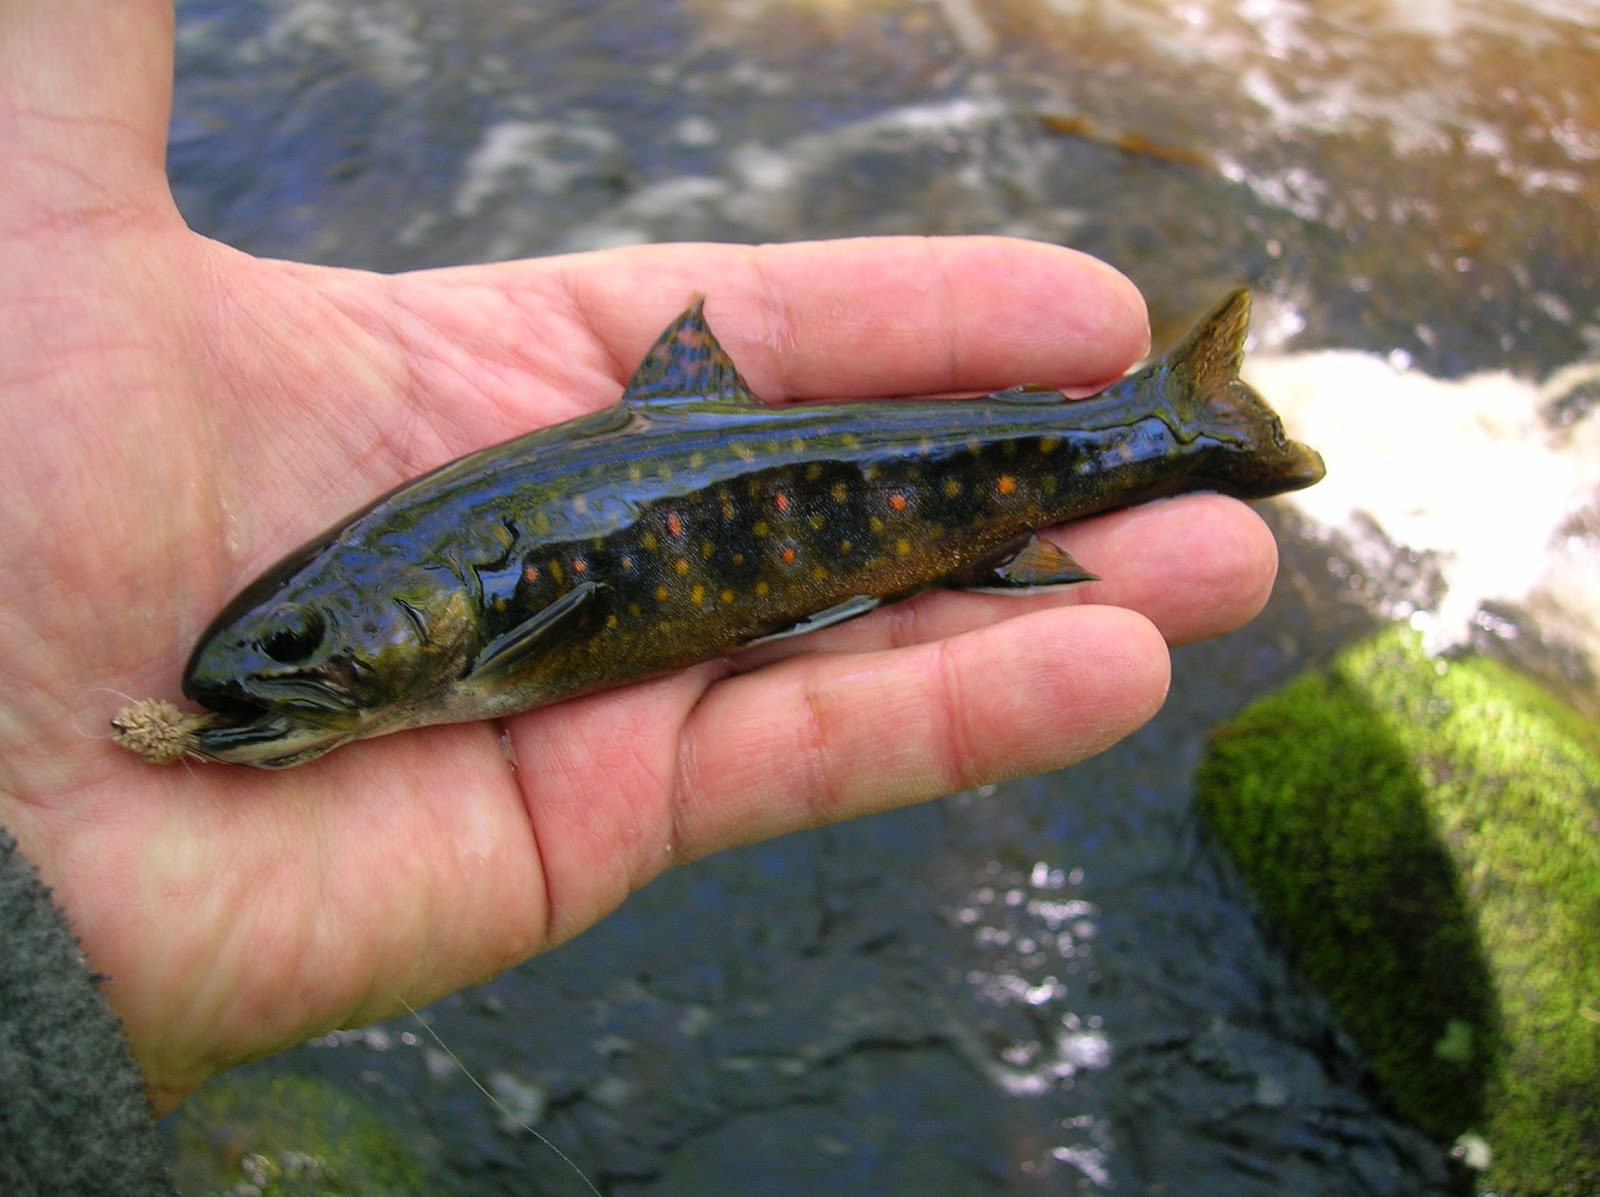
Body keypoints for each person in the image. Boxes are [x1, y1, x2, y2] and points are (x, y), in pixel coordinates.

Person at [0, 2, 1280, 1188]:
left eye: (302, 640)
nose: (274, 674)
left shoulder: (478, 637)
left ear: (439, 604)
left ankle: (1168, 425)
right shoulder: (432, 644)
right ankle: (1169, 424)